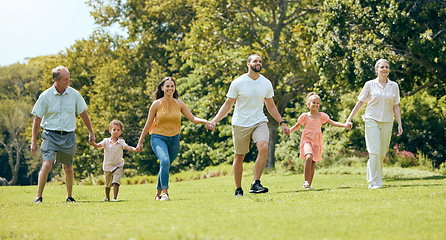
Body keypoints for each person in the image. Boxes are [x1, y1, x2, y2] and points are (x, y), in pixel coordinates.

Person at [207, 54, 290, 197]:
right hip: (240, 123)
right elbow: (228, 105)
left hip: (259, 120)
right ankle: (238, 188)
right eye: (255, 61)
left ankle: (255, 183)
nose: (258, 63)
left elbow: (270, 105)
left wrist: (281, 122)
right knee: (239, 156)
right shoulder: (238, 82)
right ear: (248, 64)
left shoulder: (266, 83)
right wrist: (214, 120)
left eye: (260, 61)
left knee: (263, 146)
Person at [136, 77, 212, 201]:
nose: (170, 88)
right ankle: (165, 193)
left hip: (174, 140)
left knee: (165, 165)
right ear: (162, 88)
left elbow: (192, 118)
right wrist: (140, 141)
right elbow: (148, 124)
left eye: (172, 86)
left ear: (174, 88)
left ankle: (157, 193)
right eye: (167, 86)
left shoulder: (179, 103)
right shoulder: (156, 104)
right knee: (165, 161)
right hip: (158, 138)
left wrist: (206, 121)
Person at [30, 65, 95, 203]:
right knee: (47, 164)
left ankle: (69, 196)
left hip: (68, 135)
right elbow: (37, 119)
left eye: (68, 78)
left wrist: (91, 132)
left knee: (68, 167)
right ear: (56, 80)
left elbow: (83, 113)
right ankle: (38, 197)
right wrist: (33, 141)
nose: (68, 81)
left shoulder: (74, 94)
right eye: (65, 79)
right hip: (50, 134)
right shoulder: (45, 96)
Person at [345, 59, 403, 189]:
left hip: (388, 121)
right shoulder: (369, 84)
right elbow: (360, 103)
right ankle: (374, 182)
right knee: (374, 151)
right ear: (376, 70)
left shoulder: (394, 86)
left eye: (387, 67)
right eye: (382, 67)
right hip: (371, 119)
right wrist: (349, 118)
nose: (385, 69)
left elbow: (396, 106)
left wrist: (399, 123)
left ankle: (373, 175)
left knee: (381, 153)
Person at [290, 92, 349, 190]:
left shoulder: (322, 116)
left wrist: (344, 125)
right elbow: (296, 126)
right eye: (313, 102)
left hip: (317, 141)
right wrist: (288, 131)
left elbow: (333, 123)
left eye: (318, 103)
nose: (316, 105)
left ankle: (308, 185)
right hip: (307, 140)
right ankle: (305, 181)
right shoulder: (305, 116)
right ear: (308, 104)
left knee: (313, 163)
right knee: (309, 156)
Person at [89, 120, 139, 201]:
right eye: (114, 129)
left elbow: (127, 147)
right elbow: (98, 146)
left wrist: (135, 149)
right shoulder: (106, 141)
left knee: (116, 181)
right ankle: (107, 197)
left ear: (121, 132)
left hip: (118, 165)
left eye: (118, 130)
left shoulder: (121, 142)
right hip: (108, 165)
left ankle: (114, 198)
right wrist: (92, 143)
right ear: (110, 131)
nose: (116, 131)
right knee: (107, 184)